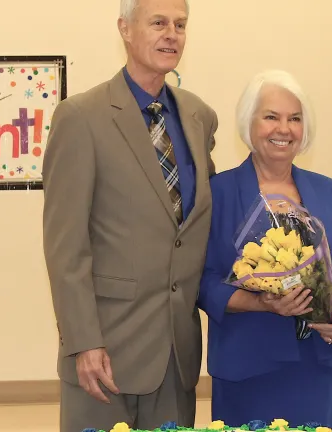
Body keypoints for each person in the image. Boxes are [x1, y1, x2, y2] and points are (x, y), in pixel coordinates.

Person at [41, 0, 218, 430]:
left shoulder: (198, 116)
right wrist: (83, 342)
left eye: (180, 24)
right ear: (124, 28)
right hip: (106, 355)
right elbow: (66, 248)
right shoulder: (81, 118)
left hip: (177, 355)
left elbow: (194, 228)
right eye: (158, 22)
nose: (171, 34)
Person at [196, 70, 332, 432]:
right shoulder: (217, 193)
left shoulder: (331, 192)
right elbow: (201, 283)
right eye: (272, 117)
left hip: (320, 369)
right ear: (249, 123)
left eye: (295, 118)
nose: (285, 129)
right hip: (248, 370)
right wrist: (261, 302)